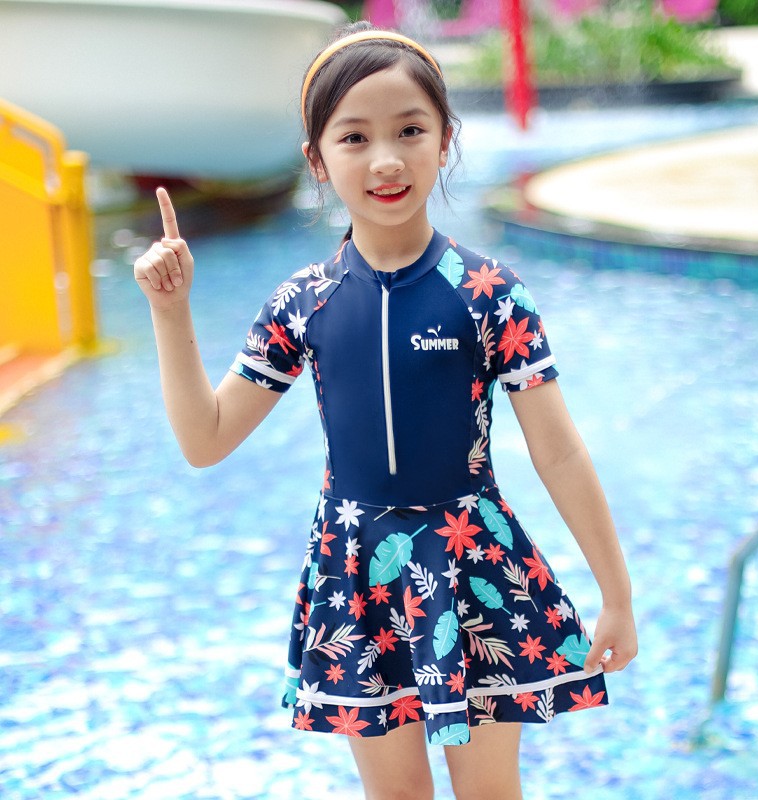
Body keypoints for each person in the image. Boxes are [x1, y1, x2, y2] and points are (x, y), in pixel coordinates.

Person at [134, 21, 637, 800]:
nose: (386, 160)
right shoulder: (303, 303)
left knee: (488, 792)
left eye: (409, 130)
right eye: (354, 137)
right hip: (357, 578)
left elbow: (559, 451)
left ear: (446, 140)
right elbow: (206, 440)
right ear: (316, 159)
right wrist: (171, 313)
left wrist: (617, 594)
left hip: (473, 565)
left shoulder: (490, 294)